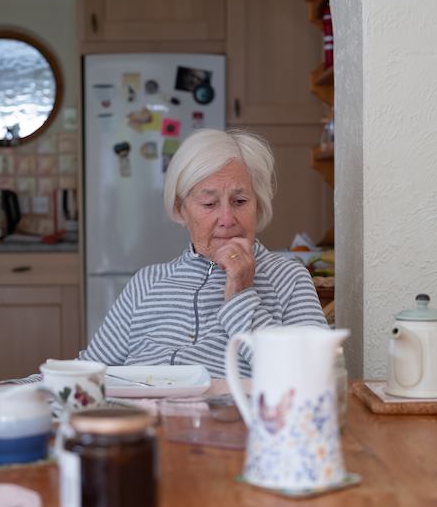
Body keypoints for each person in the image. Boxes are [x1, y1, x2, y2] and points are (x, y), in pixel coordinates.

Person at [78, 128, 327, 378]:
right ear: (180, 209)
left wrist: (240, 295)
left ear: (258, 205)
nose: (227, 219)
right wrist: (39, 388)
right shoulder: (147, 282)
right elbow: (87, 370)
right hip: (141, 413)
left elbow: (316, 376)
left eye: (240, 201)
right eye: (209, 204)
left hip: (228, 414)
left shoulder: (288, 278)